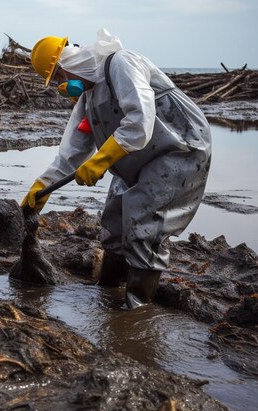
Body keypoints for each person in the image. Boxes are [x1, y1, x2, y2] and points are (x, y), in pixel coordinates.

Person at [22, 29, 212, 309]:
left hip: (179, 148)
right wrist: (40, 190)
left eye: (60, 77)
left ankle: (135, 309)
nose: (62, 86)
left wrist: (101, 161)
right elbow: (71, 154)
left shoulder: (121, 64)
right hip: (137, 159)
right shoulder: (88, 97)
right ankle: (108, 291)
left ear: (70, 61)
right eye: (57, 82)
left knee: (144, 221)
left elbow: (140, 120)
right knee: (113, 223)